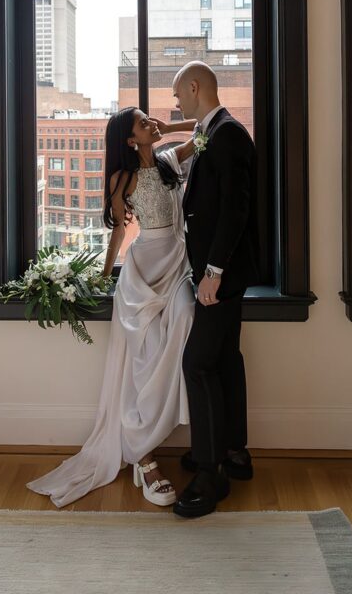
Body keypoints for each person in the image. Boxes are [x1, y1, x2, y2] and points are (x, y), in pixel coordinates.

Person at [27, 106, 197, 508]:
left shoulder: (171, 161)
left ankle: (155, 439)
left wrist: (169, 126)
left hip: (180, 265)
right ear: (129, 138)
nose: (151, 123)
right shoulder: (123, 178)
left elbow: (210, 129)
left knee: (188, 317)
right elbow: (120, 230)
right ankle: (144, 455)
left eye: (150, 119)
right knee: (146, 355)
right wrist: (106, 274)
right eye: (144, 122)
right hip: (143, 271)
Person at [170, 61, 258, 518]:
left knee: (198, 363)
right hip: (219, 273)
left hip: (220, 275)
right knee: (225, 359)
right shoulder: (214, 130)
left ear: (195, 87)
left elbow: (235, 211)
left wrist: (214, 270)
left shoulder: (227, 135)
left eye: (178, 95)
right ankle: (234, 452)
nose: (176, 104)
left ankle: (211, 473)